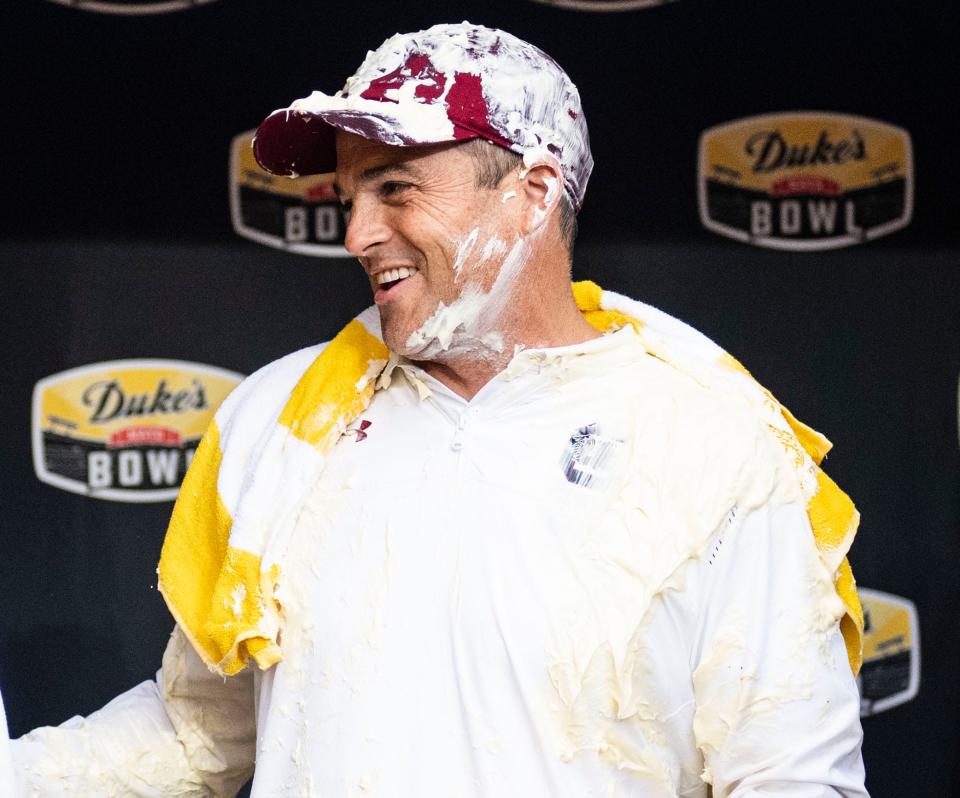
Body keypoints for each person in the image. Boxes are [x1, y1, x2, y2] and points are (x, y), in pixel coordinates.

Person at [12, 22, 868, 797]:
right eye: (349, 199)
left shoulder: (714, 437)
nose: (357, 234)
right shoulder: (281, 420)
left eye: (395, 190)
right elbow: (194, 735)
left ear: (532, 194)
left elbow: (790, 776)